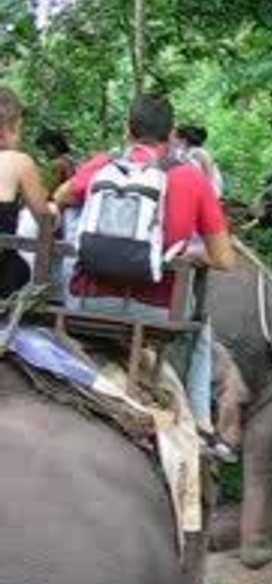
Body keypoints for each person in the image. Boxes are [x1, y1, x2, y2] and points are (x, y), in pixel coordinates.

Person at [53, 93, 236, 456]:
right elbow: (225, 260)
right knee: (204, 330)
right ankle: (202, 423)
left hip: (86, 302)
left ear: (128, 129)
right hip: (157, 313)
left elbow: (58, 198)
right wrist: (187, 254)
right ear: (171, 135)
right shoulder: (191, 178)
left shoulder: (103, 165)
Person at [0, 87, 55, 299]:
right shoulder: (19, 161)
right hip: (4, 274)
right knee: (22, 270)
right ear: (7, 131)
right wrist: (53, 213)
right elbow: (44, 221)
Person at [173, 124, 224, 198]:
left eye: (179, 138)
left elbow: (209, 175)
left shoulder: (201, 153)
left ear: (185, 139)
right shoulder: (184, 151)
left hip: (206, 188)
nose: (177, 140)